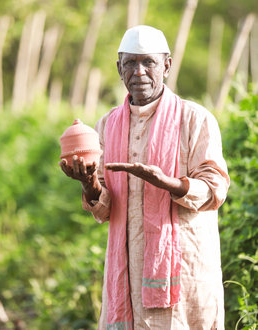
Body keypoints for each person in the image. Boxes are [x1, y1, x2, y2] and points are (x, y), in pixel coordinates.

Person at [60, 25, 230, 330]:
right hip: (126, 266)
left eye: (148, 62)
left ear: (166, 65)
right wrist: (88, 183)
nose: (139, 72)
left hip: (183, 264)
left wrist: (168, 183)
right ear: (118, 68)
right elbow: (104, 205)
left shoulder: (195, 119)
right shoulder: (106, 124)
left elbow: (215, 187)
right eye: (130, 63)